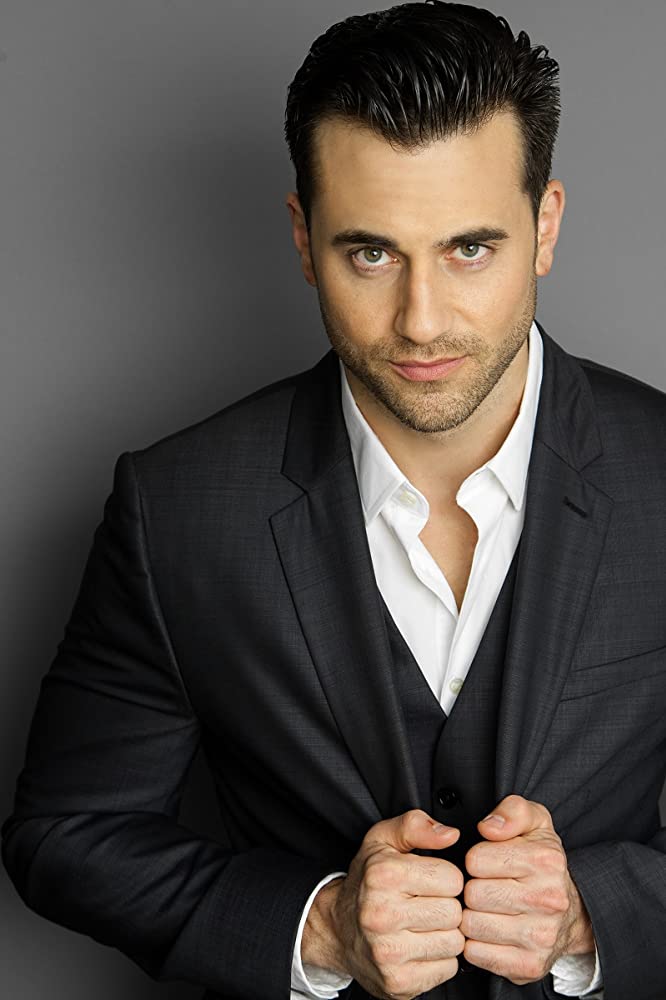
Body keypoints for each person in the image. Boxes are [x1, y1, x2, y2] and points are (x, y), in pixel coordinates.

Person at [2, 2, 665, 999]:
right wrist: (317, 925)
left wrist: (591, 915)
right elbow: (65, 833)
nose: (421, 321)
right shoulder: (176, 506)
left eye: (470, 249)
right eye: (371, 254)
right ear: (304, 239)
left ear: (546, 226)